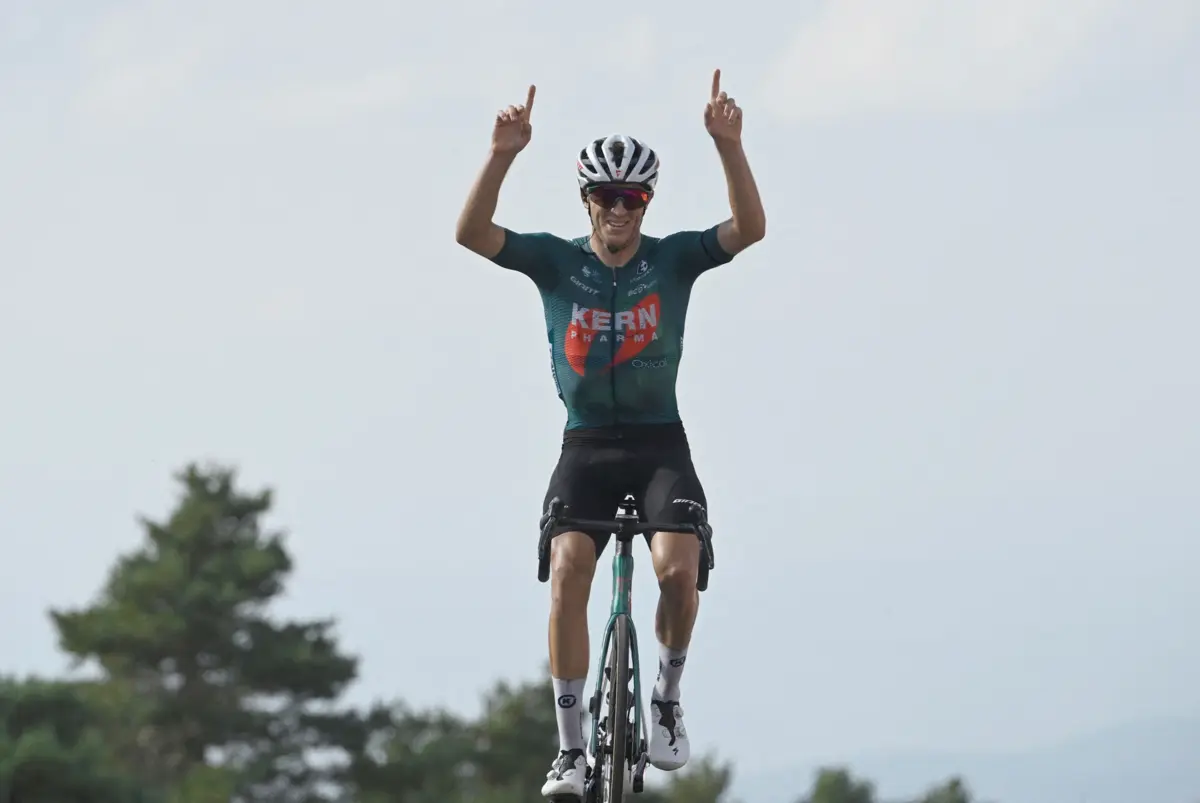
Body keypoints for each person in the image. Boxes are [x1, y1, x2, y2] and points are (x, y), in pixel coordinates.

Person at [454, 69, 765, 799]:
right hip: (586, 447)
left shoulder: (674, 259)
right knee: (567, 572)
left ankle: (665, 698)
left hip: (661, 444)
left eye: (633, 198)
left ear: (646, 203)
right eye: (605, 196)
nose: (618, 209)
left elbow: (747, 229)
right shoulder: (556, 261)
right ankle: (569, 751)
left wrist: (730, 146)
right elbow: (471, 234)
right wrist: (502, 154)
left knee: (676, 573)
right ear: (586, 199)